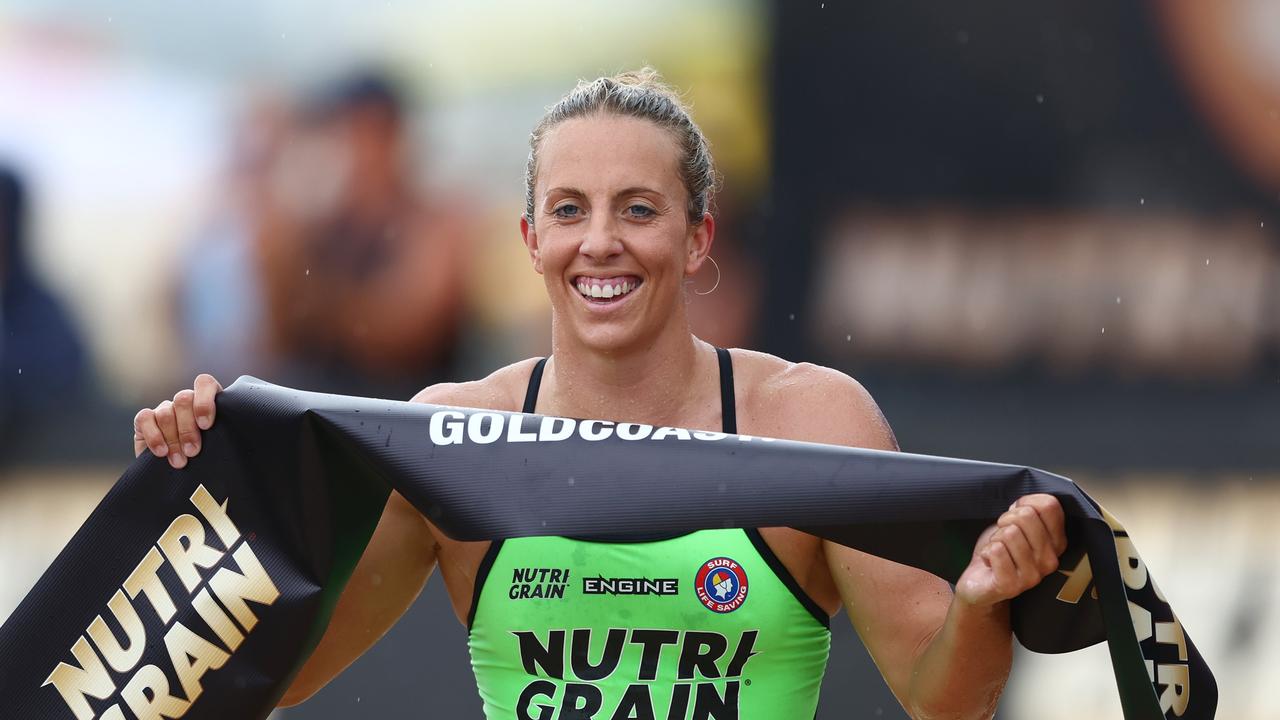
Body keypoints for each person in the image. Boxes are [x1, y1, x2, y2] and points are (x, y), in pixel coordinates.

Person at [133, 69, 1067, 719]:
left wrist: (983, 601)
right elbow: (279, 674)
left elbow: (950, 703)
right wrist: (214, 487)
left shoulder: (808, 419)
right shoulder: (457, 437)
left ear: (698, 239)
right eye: (571, 211)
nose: (601, 243)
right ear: (532, 239)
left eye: (639, 209)